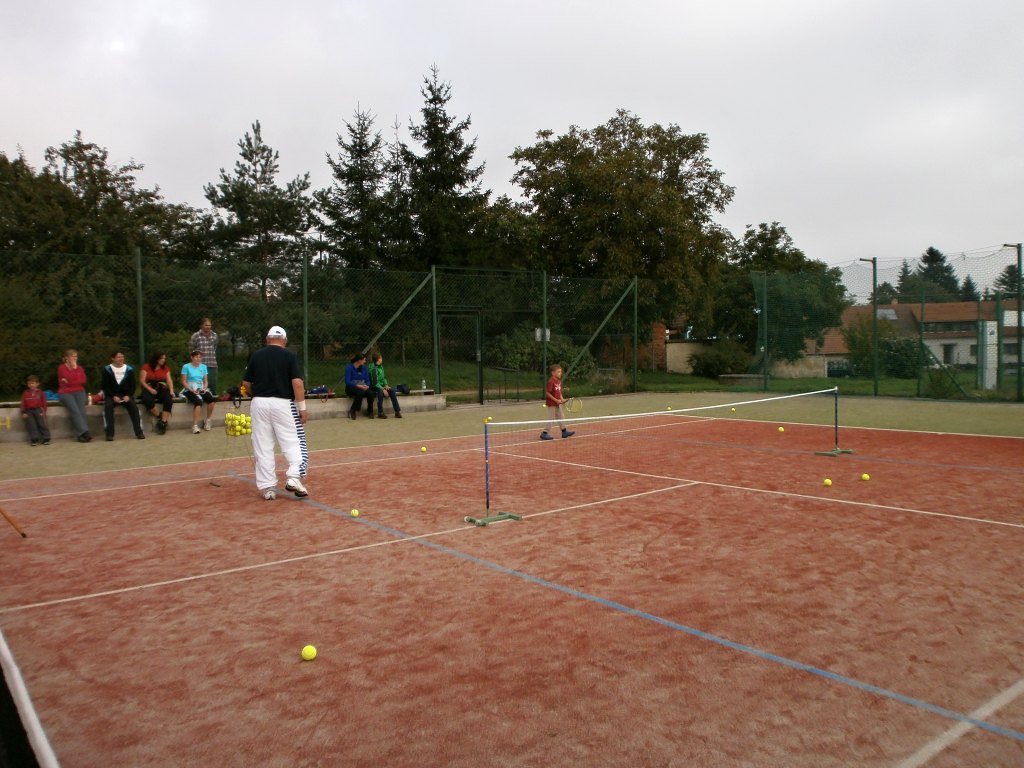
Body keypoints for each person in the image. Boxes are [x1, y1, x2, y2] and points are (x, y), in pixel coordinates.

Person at [242, 325, 309, 501]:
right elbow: (297, 383)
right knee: (294, 441)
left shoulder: (256, 356)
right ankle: (294, 477)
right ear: (285, 340)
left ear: (267, 339)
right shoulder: (289, 356)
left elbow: (246, 383)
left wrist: (257, 394)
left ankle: (268, 488)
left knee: (262, 446)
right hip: (283, 404)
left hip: (259, 403)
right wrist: (302, 408)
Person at [100, 350, 145, 441]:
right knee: (108, 407)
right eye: (118, 357)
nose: (121, 359)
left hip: (125, 395)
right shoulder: (107, 369)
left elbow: (133, 386)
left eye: (122, 357)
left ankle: (139, 432)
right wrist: (113, 396)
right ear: (113, 358)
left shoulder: (129, 369)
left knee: (134, 408)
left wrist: (128, 395)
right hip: (112, 395)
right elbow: (105, 386)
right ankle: (109, 434)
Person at [57, 348, 92, 442]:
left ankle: (81, 435)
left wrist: (71, 379)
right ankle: (85, 432)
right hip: (66, 392)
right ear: (67, 358)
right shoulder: (61, 368)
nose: (75, 358)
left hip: (79, 391)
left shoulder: (79, 368)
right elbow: (68, 379)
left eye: (76, 356)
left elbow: (83, 380)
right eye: (73, 356)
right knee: (75, 411)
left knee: (81, 412)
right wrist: (74, 373)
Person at [181, 350, 217, 434]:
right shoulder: (186, 367)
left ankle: (207, 421)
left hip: (200, 388)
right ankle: (195, 425)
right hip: (189, 389)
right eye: (196, 357)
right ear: (192, 357)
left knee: (211, 400)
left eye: (200, 357)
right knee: (198, 402)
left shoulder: (203, 367)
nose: (198, 359)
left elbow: (206, 381)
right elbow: (183, 381)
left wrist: (204, 388)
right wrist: (191, 390)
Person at [140, 351, 175, 435]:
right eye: (161, 358)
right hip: (149, 387)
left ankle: (163, 422)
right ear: (156, 358)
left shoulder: (165, 368)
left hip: (162, 387)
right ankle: (159, 415)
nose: (163, 360)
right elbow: (142, 380)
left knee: (168, 400)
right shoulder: (146, 367)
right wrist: (150, 389)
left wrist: (171, 390)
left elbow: (169, 380)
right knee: (147, 400)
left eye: (164, 358)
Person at [540, 363, 575, 441]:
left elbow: (559, 393)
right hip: (552, 404)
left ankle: (564, 432)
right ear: (553, 373)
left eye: (560, 372)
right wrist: (556, 400)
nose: (560, 373)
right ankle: (544, 433)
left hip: (557, 404)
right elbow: (547, 393)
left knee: (561, 417)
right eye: (558, 372)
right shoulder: (551, 382)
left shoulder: (559, 382)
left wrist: (562, 400)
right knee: (551, 418)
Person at [189, 317, 219, 396]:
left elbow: (215, 347)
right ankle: (200, 398)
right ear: (202, 325)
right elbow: (191, 350)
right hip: (200, 365)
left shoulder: (214, 335)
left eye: (209, 325)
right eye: (206, 325)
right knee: (200, 384)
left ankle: (213, 398)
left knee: (212, 383)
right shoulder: (195, 336)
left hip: (212, 363)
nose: (208, 327)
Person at [367, 351, 402, 419]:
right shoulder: (373, 369)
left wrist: (386, 385)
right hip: (375, 387)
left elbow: (383, 378)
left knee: (392, 391)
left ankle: (397, 412)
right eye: (381, 358)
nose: (382, 359)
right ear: (379, 359)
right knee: (380, 392)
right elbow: (375, 383)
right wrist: (383, 389)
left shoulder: (381, 367)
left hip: (381, 386)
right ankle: (380, 413)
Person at [20, 375, 51, 446]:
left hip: (38, 410)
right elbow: (23, 403)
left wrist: (43, 412)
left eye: (33, 383)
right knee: (32, 425)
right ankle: (34, 439)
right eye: (29, 383)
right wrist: (23, 412)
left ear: (37, 383)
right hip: (29, 411)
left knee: (42, 424)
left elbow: (44, 403)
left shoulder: (41, 393)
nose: (31, 385)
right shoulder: (25, 393)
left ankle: (46, 438)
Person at [344, 353, 374, 420]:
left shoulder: (364, 368)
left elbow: (367, 380)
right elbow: (347, 381)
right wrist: (357, 385)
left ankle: (370, 411)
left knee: (370, 393)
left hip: (362, 387)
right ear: (359, 360)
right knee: (361, 392)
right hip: (351, 387)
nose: (365, 361)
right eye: (364, 360)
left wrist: (367, 385)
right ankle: (353, 410)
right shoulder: (349, 368)